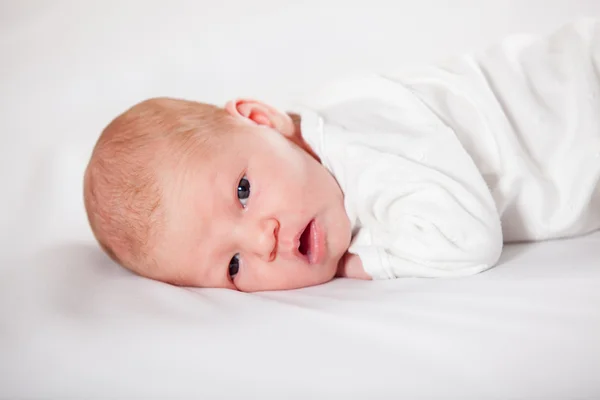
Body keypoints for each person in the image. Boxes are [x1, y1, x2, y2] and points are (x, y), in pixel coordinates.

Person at [84, 19, 600, 292]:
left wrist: (364, 264)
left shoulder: (355, 134)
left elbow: (467, 239)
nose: (263, 242)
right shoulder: (322, 185)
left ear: (262, 121)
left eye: (242, 192)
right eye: (233, 266)